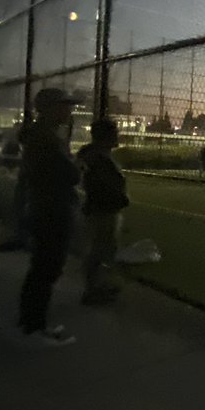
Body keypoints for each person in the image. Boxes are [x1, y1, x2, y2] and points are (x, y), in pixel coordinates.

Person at [17, 88, 80, 346]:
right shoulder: (46, 138)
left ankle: (30, 321)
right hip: (52, 209)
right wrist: (76, 165)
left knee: (42, 267)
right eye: (65, 106)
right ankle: (35, 327)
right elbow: (71, 175)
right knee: (46, 268)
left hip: (45, 207)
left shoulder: (42, 135)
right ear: (50, 108)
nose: (69, 111)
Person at [76, 119, 128, 305]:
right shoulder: (97, 158)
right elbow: (102, 185)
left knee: (103, 250)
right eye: (115, 132)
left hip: (103, 208)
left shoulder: (95, 155)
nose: (118, 135)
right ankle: (93, 289)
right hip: (102, 209)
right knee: (99, 250)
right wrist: (120, 198)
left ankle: (99, 286)